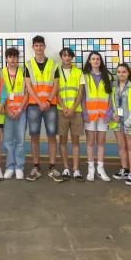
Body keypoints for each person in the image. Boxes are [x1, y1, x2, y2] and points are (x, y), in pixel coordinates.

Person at [24, 35, 62, 181]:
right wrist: (40, 102)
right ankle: (36, 167)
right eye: (36, 45)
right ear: (33, 47)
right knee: (34, 136)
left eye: (41, 45)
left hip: (50, 105)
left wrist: (48, 100)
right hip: (34, 105)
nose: (39, 48)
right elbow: (28, 86)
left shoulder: (53, 64)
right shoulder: (28, 65)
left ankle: (52, 168)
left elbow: (56, 85)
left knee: (52, 136)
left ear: (44, 46)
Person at [109, 63, 131, 186]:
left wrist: (130, 122)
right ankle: (125, 169)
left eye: (124, 72)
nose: (121, 74)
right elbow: (111, 104)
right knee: (121, 146)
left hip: (130, 123)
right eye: (119, 72)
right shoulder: (114, 87)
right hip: (118, 122)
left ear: (128, 73)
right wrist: (112, 115)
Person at [81, 51, 112, 181]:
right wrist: (84, 112)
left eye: (98, 59)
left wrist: (109, 113)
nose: (95, 61)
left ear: (100, 61)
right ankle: (91, 169)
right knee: (90, 143)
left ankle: (100, 168)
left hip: (103, 114)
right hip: (89, 114)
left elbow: (110, 96)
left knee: (101, 143)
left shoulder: (107, 76)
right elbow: (82, 96)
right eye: (93, 59)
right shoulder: (84, 76)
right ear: (89, 61)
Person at [56, 47, 85, 180]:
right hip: (61, 111)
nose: (67, 58)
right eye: (64, 55)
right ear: (61, 57)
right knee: (62, 140)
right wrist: (63, 107)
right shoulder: (56, 71)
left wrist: (73, 108)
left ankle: (76, 169)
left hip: (76, 111)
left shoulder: (78, 72)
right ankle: (66, 168)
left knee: (75, 141)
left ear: (72, 57)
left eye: (69, 56)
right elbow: (55, 91)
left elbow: (81, 92)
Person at [2, 47, 27, 180]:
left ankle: (19, 167)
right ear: (6, 59)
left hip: (21, 112)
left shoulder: (23, 72)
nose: (12, 59)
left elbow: (27, 93)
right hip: (6, 113)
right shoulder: (1, 73)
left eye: (15, 57)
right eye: (10, 57)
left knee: (20, 141)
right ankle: (10, 167)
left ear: (18, 59)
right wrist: (7, 110)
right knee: (8, 141)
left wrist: (20, 109)